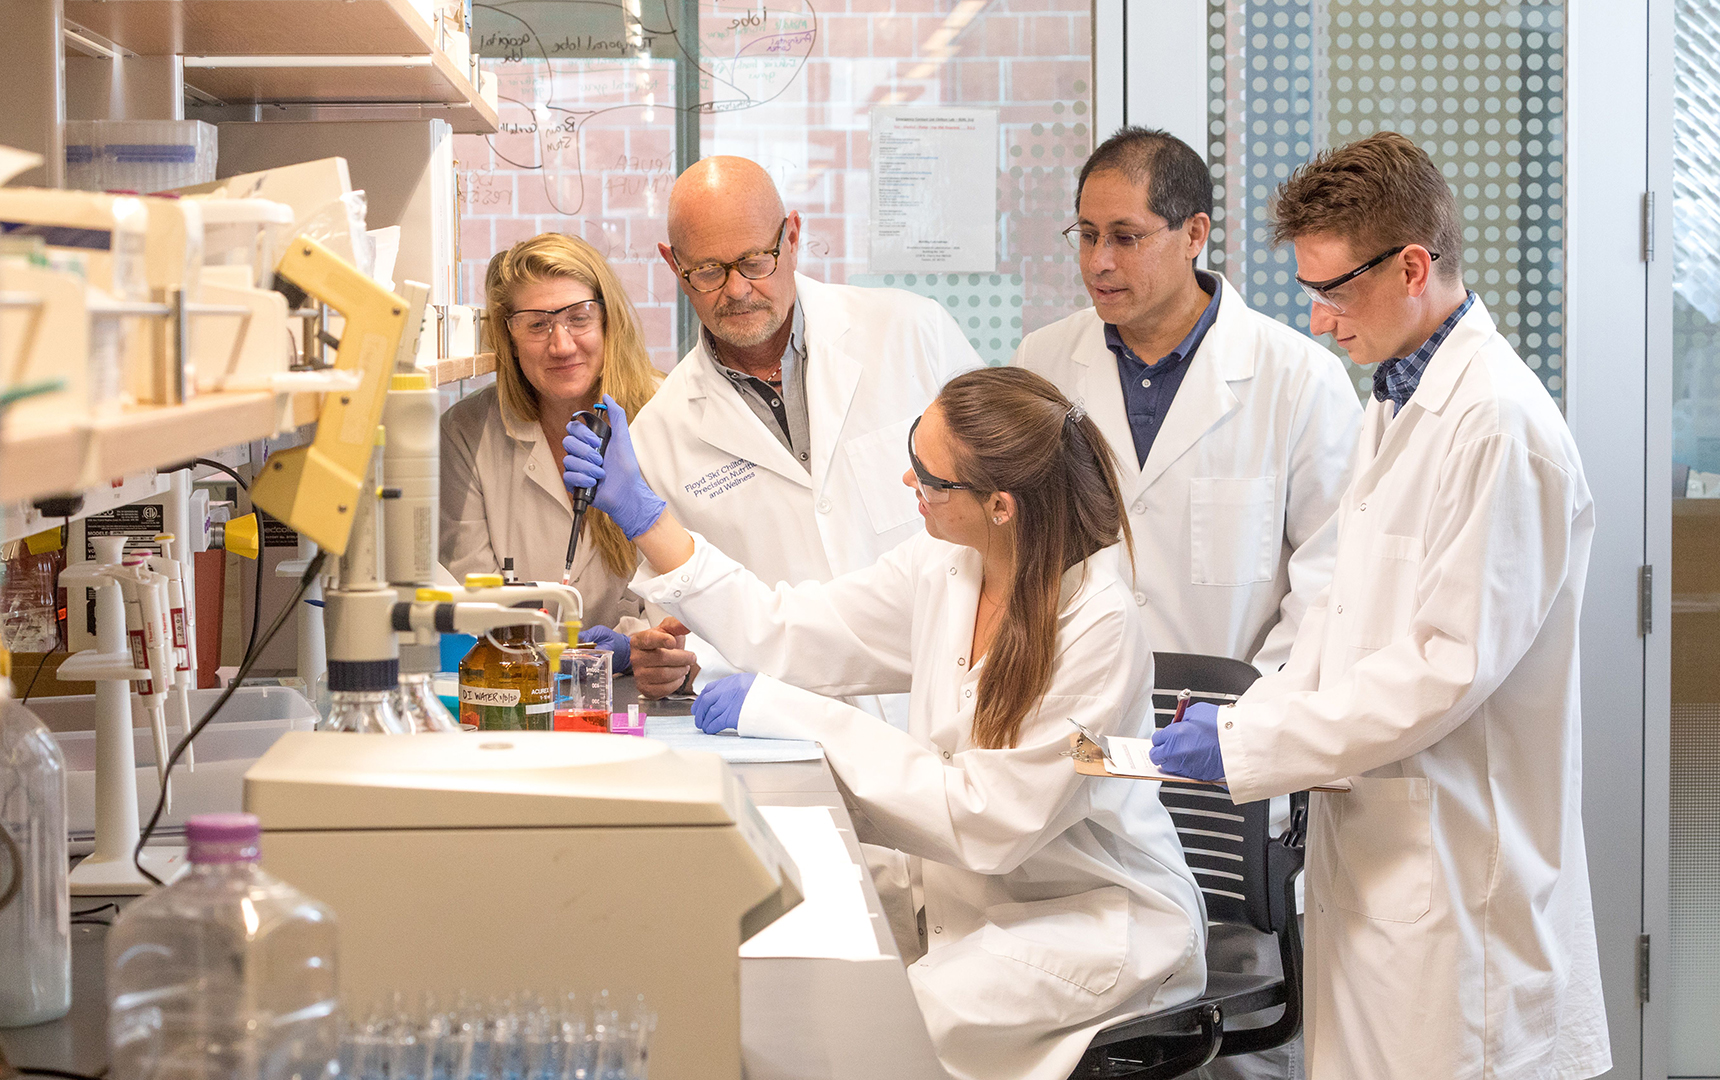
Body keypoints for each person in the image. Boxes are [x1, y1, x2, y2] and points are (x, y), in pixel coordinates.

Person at [563, 368, 1206, 1080]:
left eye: (931, 478)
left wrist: (785, 710)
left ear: (1000, 506)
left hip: (1088, 925)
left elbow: (990, 820)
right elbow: (789, 631)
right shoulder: (949, 567)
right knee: (782, 987)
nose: (909, 482)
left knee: (864, 1032)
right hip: (969, 906)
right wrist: (646, 516)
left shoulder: (1098, 624)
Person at [1149, 132, 1612, 1078]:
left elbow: (1444, 669)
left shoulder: (1498, 427)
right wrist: (1256, 710)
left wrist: (1248, 750)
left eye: (1332, 293)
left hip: (1456, 893)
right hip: (1380, 872)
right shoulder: (1394, 404)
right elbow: (1346, 621)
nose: (1318, 324)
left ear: (1412, 266)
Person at [1013, 127, 1362, 1080]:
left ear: (1195, 232)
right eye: (1084, 236)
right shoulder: (1045, 365)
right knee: (1095, 1008)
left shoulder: (1297, 378)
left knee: (1235, 1016)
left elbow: (1330, 582)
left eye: (1125, 236)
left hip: (1231, 757)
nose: (1100, 262)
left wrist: (1258, 717)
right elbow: (1021, 556)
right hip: (1088, 743)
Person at [627, 155, 983, 714]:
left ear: (792, 237)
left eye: (753, 261)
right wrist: (673, 659)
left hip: (949, 704)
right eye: (709, 271)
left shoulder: (913, 332)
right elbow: (689, 624)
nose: (738, 290)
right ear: (675, 266)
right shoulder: (658, 436)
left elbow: (1014, 507)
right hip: (792, 730)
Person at [438, 233, 661, 666]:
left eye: (579, 318)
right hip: (515, 684)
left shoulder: (663, 414)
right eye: (537, 325)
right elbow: (473, 597)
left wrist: (636, 646)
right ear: (510, 337)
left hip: (647, 690)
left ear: (607, 320)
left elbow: (689, 580)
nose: (561, 345)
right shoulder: (467, 432)